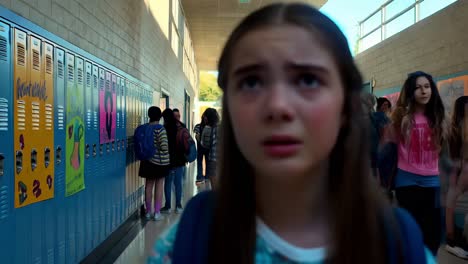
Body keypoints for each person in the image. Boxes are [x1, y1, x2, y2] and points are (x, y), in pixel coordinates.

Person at [148, 3, 436, 263]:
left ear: (346, 107)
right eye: (251, 82)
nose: (278, 106)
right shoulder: (188, 244)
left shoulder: (397, 245)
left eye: (308, 79)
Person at [389, 71, 447, 255]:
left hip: (432, 182)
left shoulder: (438, 117)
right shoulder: (401, 119)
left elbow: (443, 151)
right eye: (418, 88)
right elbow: (389, 148)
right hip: (406, 182)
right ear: (410, 92)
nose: (424, 91)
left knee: (432, 235)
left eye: (427, 87)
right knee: (409, 232)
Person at [138, 106, 170, 221]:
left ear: (149, 115)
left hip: (147, 162)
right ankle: (157, 212)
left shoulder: (145, 128)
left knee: (149, 185)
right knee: (159, 185)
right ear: (160, 116)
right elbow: (164, 146)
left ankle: (148, 212)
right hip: (159, 163)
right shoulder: (160, 129)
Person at [445, 96, 468, 258]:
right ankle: (453, 240)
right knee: (454, 204)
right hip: (457, 171)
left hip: (460, 170)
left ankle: (455, 238)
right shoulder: (455, 129)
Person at [161, 109, 186, 214]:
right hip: (180, 159)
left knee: (168, 182)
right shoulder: (181, 126)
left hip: (168, 160)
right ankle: (179, 205)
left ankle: (167, 206)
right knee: (178, 183)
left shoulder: (165, 128)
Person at [200, 108, 220, 189]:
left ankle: (216, 200)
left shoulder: (208, 128)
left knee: (214, 188)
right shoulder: (222, 126)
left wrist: (199, 139)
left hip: (213, 159)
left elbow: (205, 145)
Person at [194, 110, 209, 184]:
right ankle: (207, 176)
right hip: (207, 148)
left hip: (200, 148)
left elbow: (196, 136)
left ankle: (200, 177)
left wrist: (200, 142)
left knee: (199, 162)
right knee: (207, 162)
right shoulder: (209, 127)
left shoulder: (197, 126)